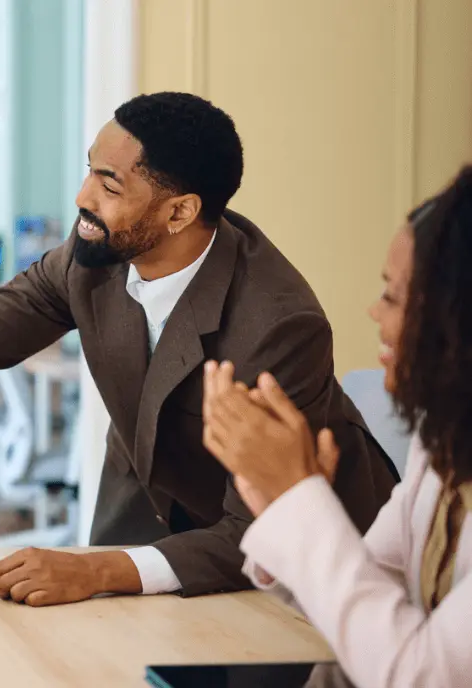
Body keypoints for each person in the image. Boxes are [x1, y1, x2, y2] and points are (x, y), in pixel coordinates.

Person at [0, 91, 398, 606]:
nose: (81, 198)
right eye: (88, 169)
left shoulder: (278, 323)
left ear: (179, 212)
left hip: (302, 566)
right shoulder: (91, 258)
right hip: (150, 517)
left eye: (109, 183)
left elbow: (258, 527)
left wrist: (95, 571)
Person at [202, 166, 472, 688]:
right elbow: (367, 613)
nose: (374, 312)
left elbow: (420, 676)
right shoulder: (440, 446)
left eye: (393, 297)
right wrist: (281, 506)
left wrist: (299, 501)